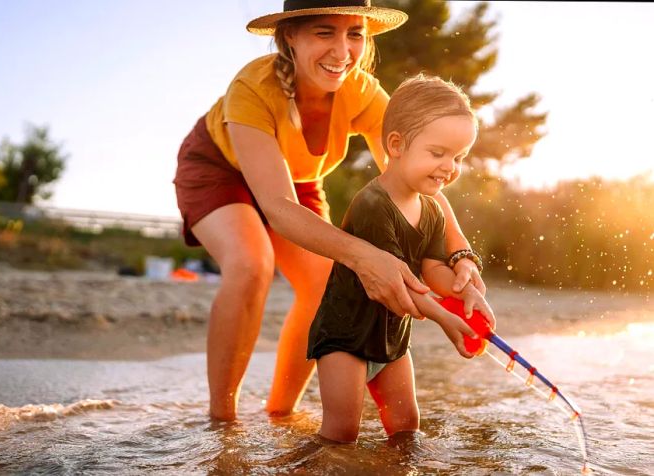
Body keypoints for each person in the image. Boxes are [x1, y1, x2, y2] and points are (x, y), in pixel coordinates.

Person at [173, 0, 486, 422]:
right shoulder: (251, 88)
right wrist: (365, 255)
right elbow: (278, 208)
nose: (342, 51)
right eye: (324, 32)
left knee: (325, 283)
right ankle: (222, 421)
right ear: (289, 37)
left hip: (297, 180)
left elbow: (416, 178)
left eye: (354, 34)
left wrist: (461, 254)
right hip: (218, 167)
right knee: (251, 264)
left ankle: (279, 413)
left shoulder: (363, 92)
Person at [307, 73, 496, 442]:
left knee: (406, 427)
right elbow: (403, 287)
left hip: (391, 337)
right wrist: (445, 318)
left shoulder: (431, 210)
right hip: (346, 337)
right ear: (396, 144)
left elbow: (432, 269)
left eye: (458, 157)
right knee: (342, 432)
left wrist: (464, 293)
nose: (450, 167)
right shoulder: (373, 205)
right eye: (437, 153)